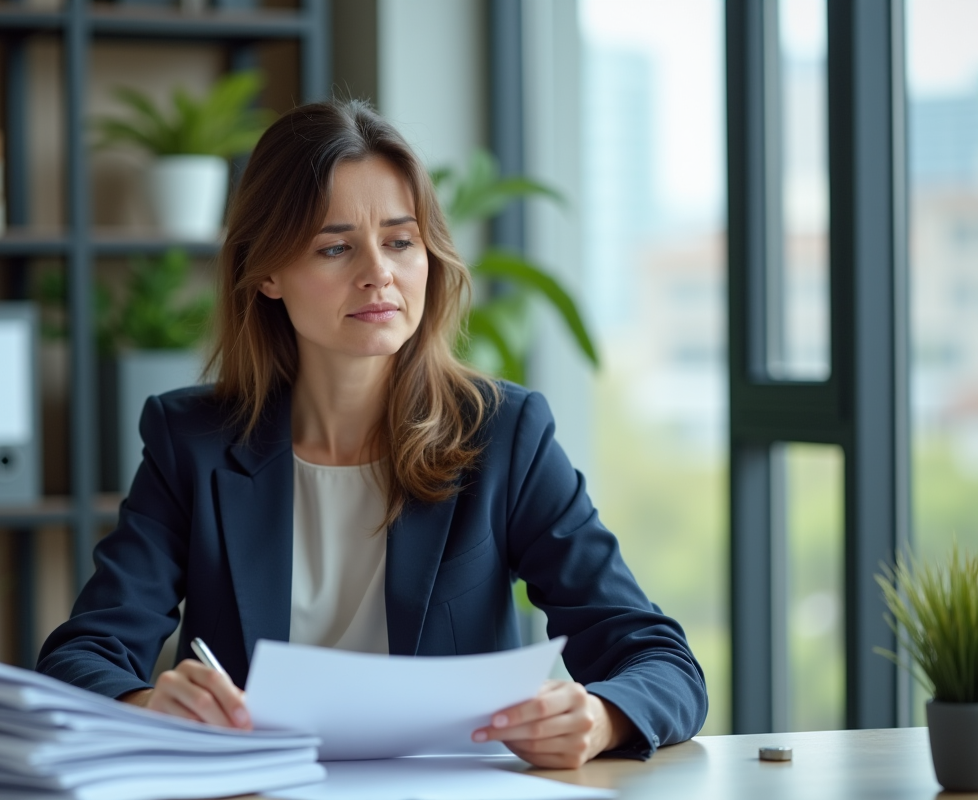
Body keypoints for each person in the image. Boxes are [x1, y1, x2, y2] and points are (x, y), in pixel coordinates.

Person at [37, 99, 707, 769]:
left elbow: (659, 660)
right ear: (266, 272)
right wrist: (149, 707)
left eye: (399, 241)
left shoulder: (505, 436)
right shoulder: (193, 442)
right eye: (334, 247)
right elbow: (81, 656)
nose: (377, 273)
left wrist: (600, 718)